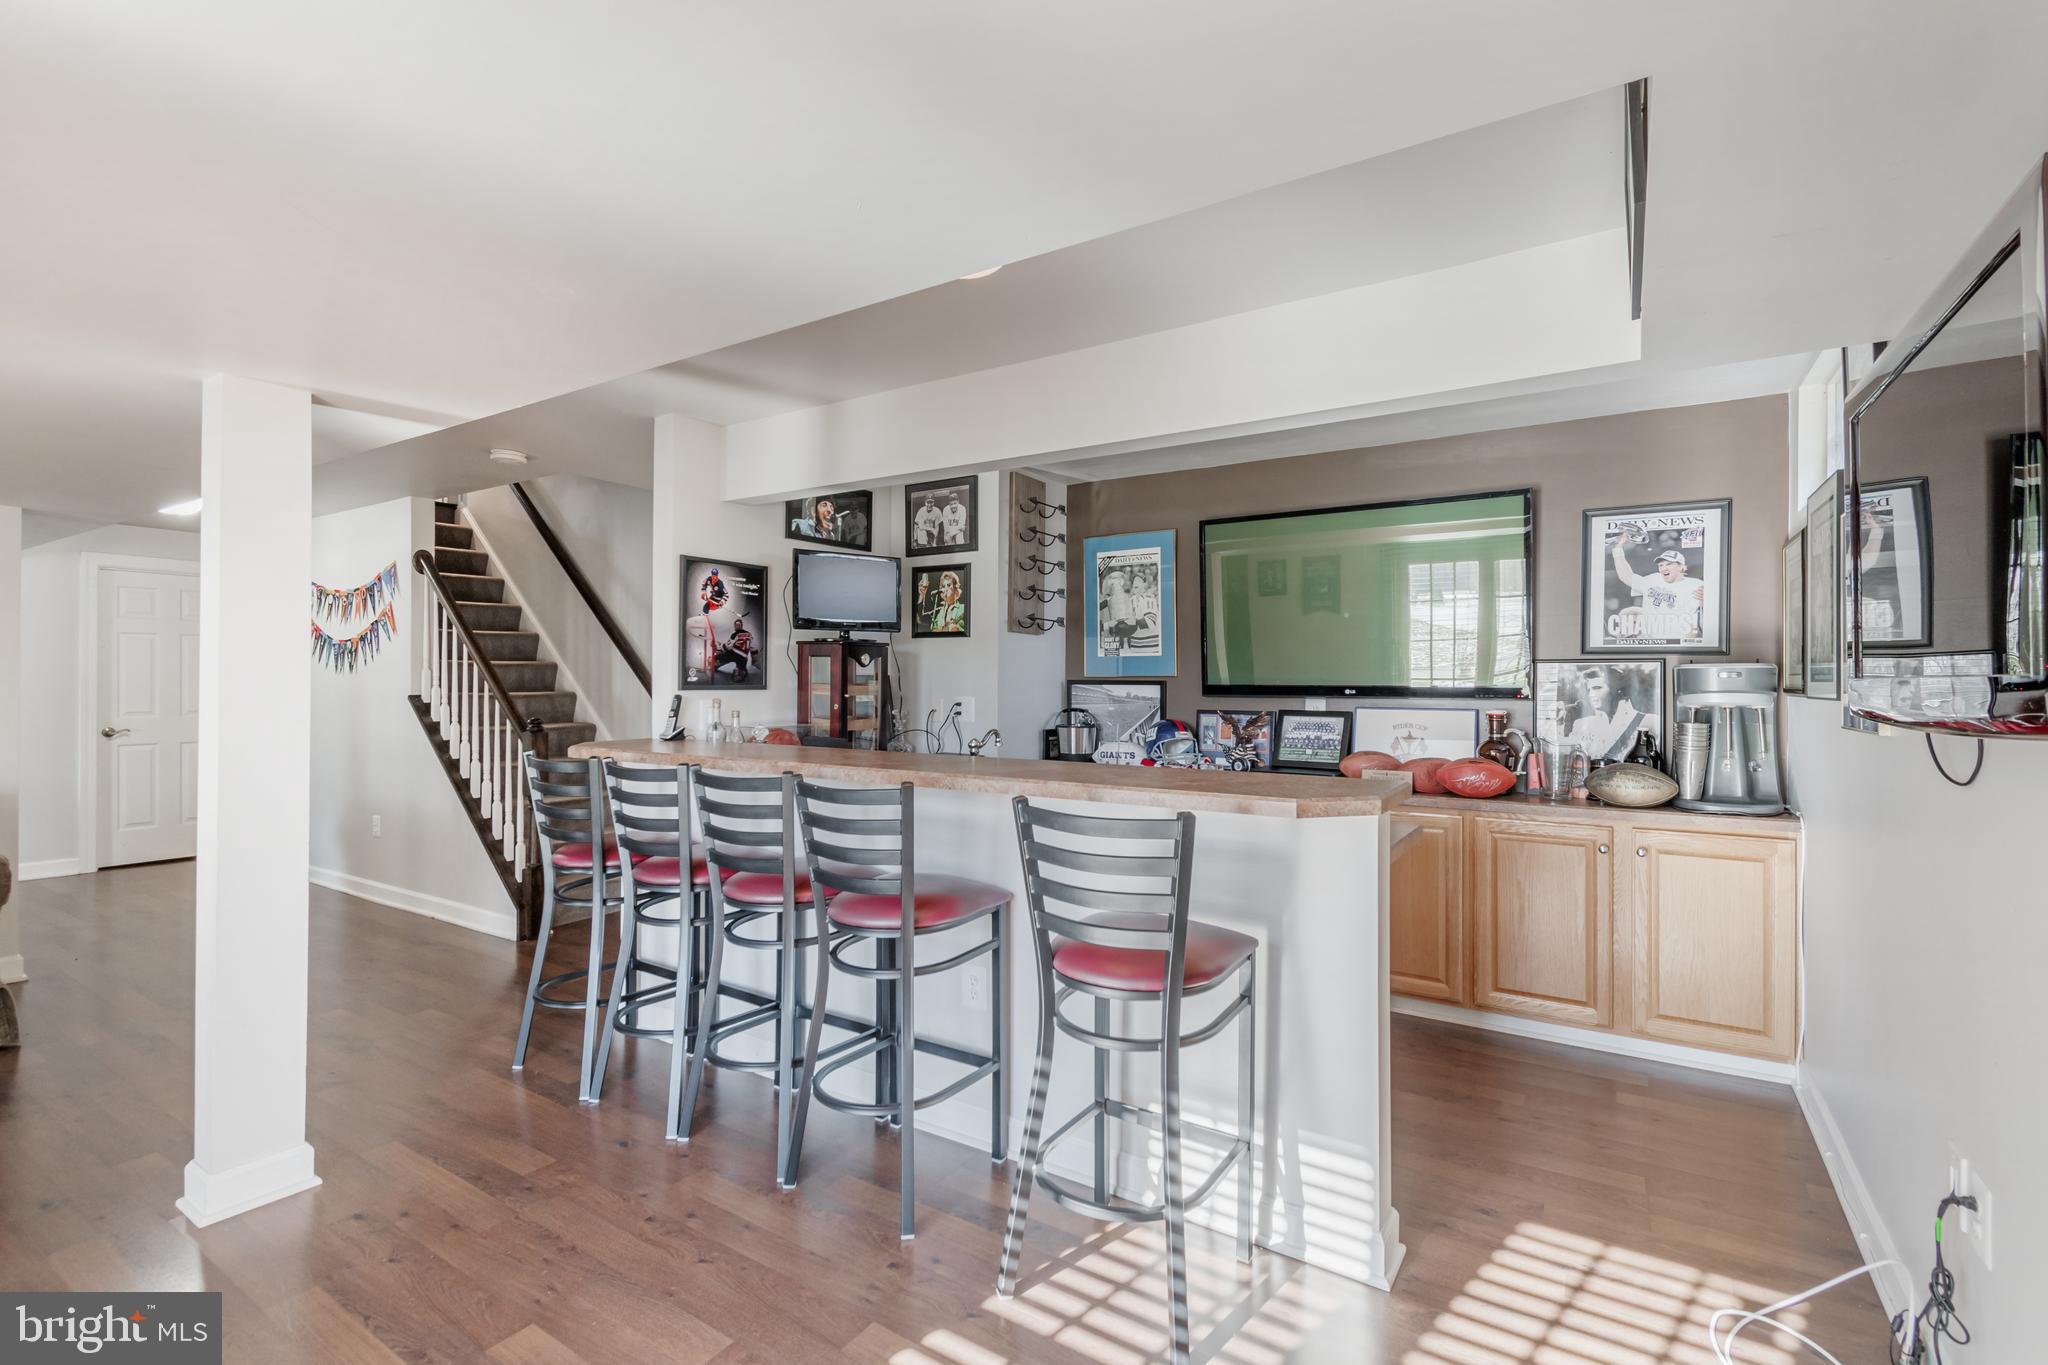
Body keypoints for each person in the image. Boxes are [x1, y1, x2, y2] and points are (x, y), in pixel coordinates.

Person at [1610, 535, 1706, 642]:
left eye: (1669, 564)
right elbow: (1626, 576)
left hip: (1676, 642)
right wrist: (1617, 550)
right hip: (1649, 642)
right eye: (1661, 565)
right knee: (1627, 613)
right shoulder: (1653, 580)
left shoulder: (1696, 585)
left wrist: (1706, 602)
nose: (1664, 568)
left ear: (1681, 567)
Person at [1561, 665, 1649, 762]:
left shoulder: (1647, 722)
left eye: (1597, 688)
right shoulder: (1581, 726)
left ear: (1617, 690)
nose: (1591, 695)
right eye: (1589, 690)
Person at [684, 567, 746, 683]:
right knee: (706, 606)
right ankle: (704, 617)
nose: (714, 577)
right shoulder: (709, 579)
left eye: (715, 576)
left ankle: (704, 616)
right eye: (713, 575)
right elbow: (704, 584)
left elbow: (726, 595)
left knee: (707, 605)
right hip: (713, 598)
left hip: (720, 600)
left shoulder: (720, 584)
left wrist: (722, 601)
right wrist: (703, 592)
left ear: (717, 576)